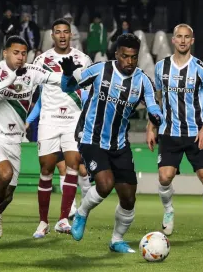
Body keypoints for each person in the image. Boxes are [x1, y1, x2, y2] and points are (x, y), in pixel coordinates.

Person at [58, 33, 163, 253]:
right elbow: (68, 87)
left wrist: (156, 117)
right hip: (91, 139)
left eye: (133, 57)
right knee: (105, 185)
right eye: (125, 56)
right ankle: (81, 213)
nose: (129, 62)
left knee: (128, 198)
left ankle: (116, 240)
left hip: (119, 144)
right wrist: (67, 74)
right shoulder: (99, 70)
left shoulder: (142, 80)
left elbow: (153, 105)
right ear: (117, 54)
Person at [0, 35, 62, 251]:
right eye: (16, 53)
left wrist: (77, 76)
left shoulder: (32, 72)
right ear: (5, 53)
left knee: (8, 196)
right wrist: (7, 82)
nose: (20, 57)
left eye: (23, 53)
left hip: (15, 141)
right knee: (5, 174)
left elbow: (56, 79)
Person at [146, 23, 203, 240]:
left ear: (192, 40)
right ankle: (169, 211)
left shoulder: (201, 69)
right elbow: (157, 100)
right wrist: (151, 127)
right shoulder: (161, 67)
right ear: (173, 40)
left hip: (196, 133)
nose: (182, 40)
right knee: (164, 177)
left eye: (186, 37)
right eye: (178, 36)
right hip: (169, 132)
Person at [29, 18, 93, 238]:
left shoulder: (82, 59)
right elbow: (37, 94)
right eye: (58, 32)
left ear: (71, 35)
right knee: (46, 169)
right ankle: (43, 222)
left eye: (66, 32)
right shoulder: (41, 60)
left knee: (73, 164)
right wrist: (29, 119)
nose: (63, 36)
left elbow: (88, 90)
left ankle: (64, 219)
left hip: (73, 121)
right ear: (52, 35)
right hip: (49, 120)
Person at [25, 86, 91, 238]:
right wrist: (28, 121)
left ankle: (67, 215)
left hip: (72, 126)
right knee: (52, 169)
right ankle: (47, 221)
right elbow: (42, 100)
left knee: (76, 168)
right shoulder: (47, 68)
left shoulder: (79, 66)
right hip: (50, 126)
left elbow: (87, 97)